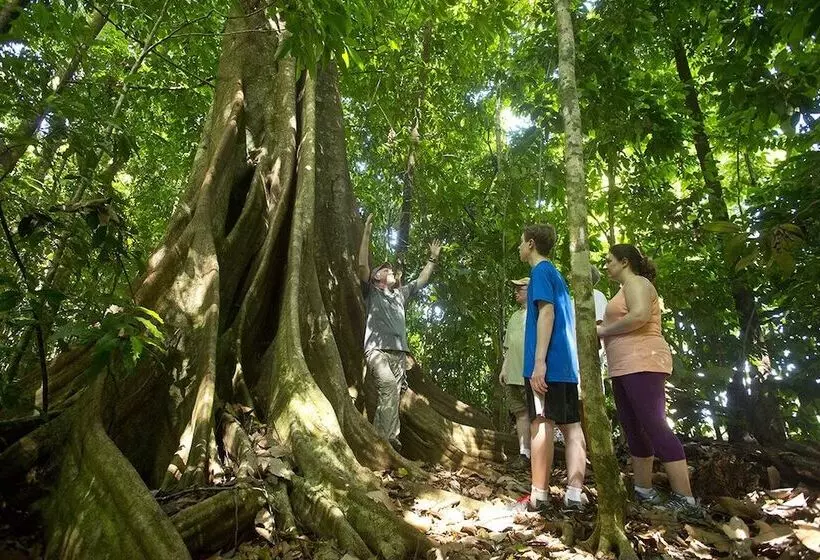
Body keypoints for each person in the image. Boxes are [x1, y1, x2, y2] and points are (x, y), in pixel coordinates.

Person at [597, 243, 699, 512]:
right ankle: (644, 490)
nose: (606, 266)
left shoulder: (637, 283)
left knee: (654, 425)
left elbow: (640, 316)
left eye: (610, 261)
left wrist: (603, 331)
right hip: (623, 366)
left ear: (625, 262)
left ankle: (685, 498)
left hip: (643, 361)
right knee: (633, 428)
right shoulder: (623, 289)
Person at [357, 214, 442, 452]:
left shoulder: (400, 295)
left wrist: (432, 259)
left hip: (399, 355)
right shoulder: (372, 293)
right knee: (387, 387)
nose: (390, 270)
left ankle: (382, 439)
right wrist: (365, 234)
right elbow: (362, 266)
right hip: (377, 351)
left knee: (393, 395)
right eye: (385, 269)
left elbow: (421, 281)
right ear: (376, 278)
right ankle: (386, 441)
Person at [518, 224, 588, 512]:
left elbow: (546, 313)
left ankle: (540, 495)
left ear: (531, 244)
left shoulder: (541, 272)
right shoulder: (557, 275)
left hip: (548, 365)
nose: (519, 248)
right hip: (566, 366)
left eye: (521, 243)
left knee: (541, 424)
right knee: (571, 425)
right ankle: (573, 494)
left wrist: (539, 362)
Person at [499, 278, 531, 468]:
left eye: (521, 288)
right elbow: (509, 347)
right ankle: (524, 453)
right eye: (515, 288)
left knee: (539, 415)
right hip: (514, 373)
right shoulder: (514, 317)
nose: (516, 291)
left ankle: (540, 455)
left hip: (532, 374)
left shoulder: (540, 314)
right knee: (520, 413)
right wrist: (504, 368)